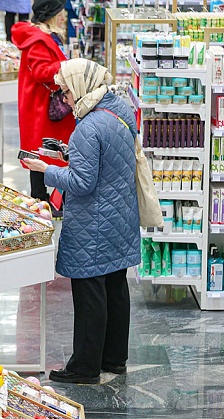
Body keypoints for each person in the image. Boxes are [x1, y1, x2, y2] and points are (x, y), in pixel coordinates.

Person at [23, 59, 140, 384]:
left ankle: (84, 367)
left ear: (82, 88)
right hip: (121, 216)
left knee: (90, 293)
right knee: (116, 289)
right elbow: (107, 161)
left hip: (94, 224)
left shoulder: (87, 128)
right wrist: (68, 155)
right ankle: (114, 359)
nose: (67, 100)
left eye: (69, 93)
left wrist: (44, 169)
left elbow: (82, 183)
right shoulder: (120, 109)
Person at [11, 0, 74, 202]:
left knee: (42, 150)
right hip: (42, 107)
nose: (63, 17)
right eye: (60, 13)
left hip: (41, 105)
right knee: (41, 151)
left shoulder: (41, 36)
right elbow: (40, 72)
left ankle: (46, 198)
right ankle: (41, 198)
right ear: (52, 15)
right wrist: (67, 65)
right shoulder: (38, 39)